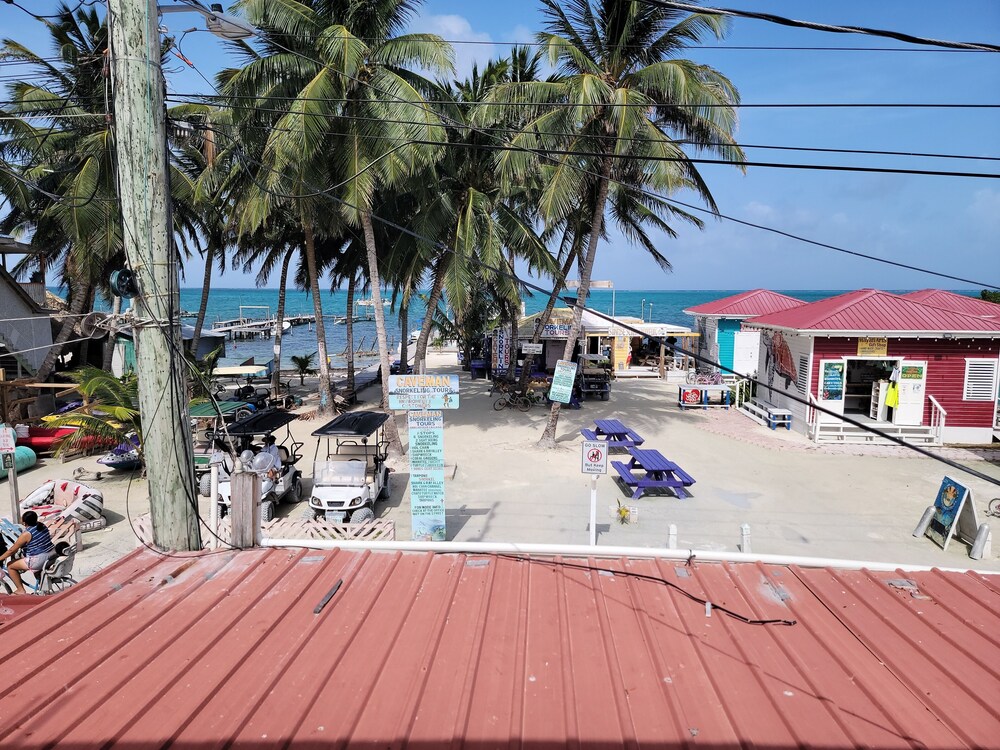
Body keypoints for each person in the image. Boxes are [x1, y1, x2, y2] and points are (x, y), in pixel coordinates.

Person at [0, 511, 55, 594]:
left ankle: (20, 590)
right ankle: (40, 586)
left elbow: (11, 550)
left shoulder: (27, 534)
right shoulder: (42, 526)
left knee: (10, 566)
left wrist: (0, 558)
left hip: (39, 560)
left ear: (24, 522)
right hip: (52, 554)